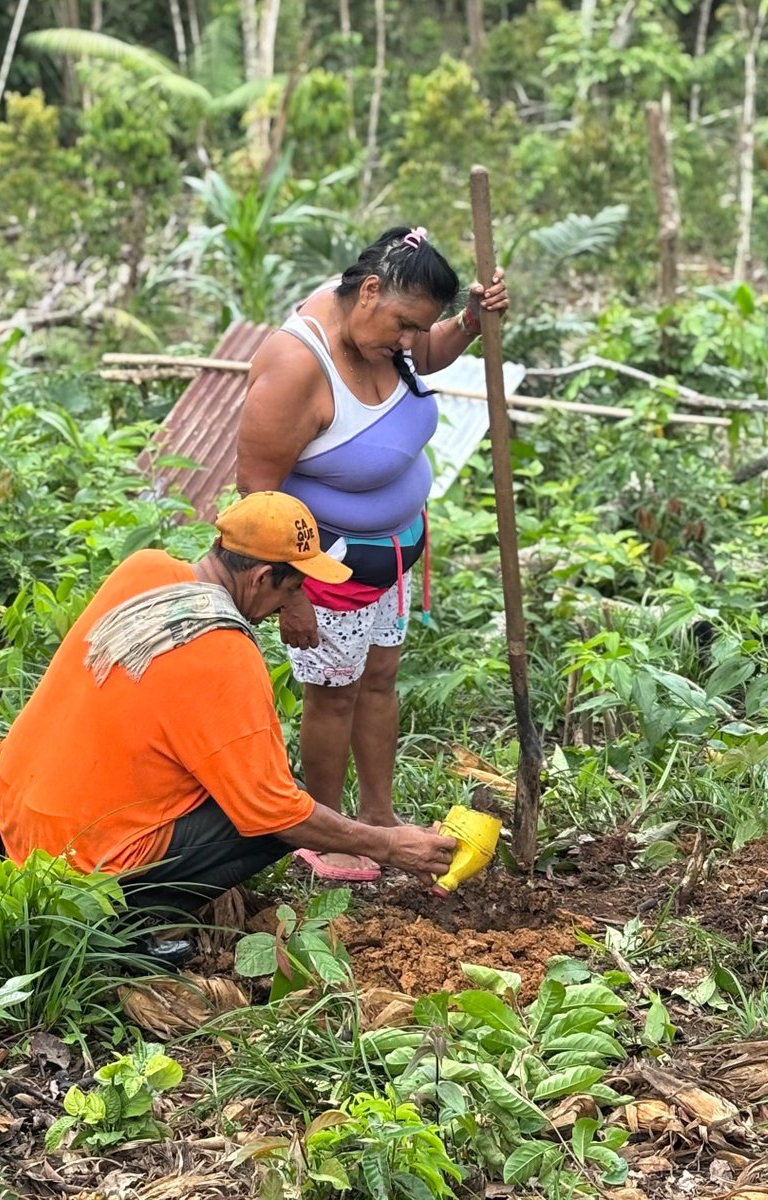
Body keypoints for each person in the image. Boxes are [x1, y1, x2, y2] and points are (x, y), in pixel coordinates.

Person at [0, 490, 456, 964]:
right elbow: (276, 812)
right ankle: (118, 930)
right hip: (75, 871)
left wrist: (292, 593)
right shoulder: (226, 656)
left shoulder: (144, 569)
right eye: (292, 589)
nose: (291, 604)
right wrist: (388, 844)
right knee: (277, 816)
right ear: (262, 577)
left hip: (14, 811)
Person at [236, 226, 509, 883]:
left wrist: (470, 324)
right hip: (325, 567)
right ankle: (329, 832)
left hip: (394, 553)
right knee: (333, 695)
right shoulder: (298, 364)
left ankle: (378, 815)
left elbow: (429, 354)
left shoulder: (385, 330)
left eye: (419, 326)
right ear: (368, 292)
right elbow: (256, 492)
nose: (410, 341)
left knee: (380, 679)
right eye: (404, 325)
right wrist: (292, 594)